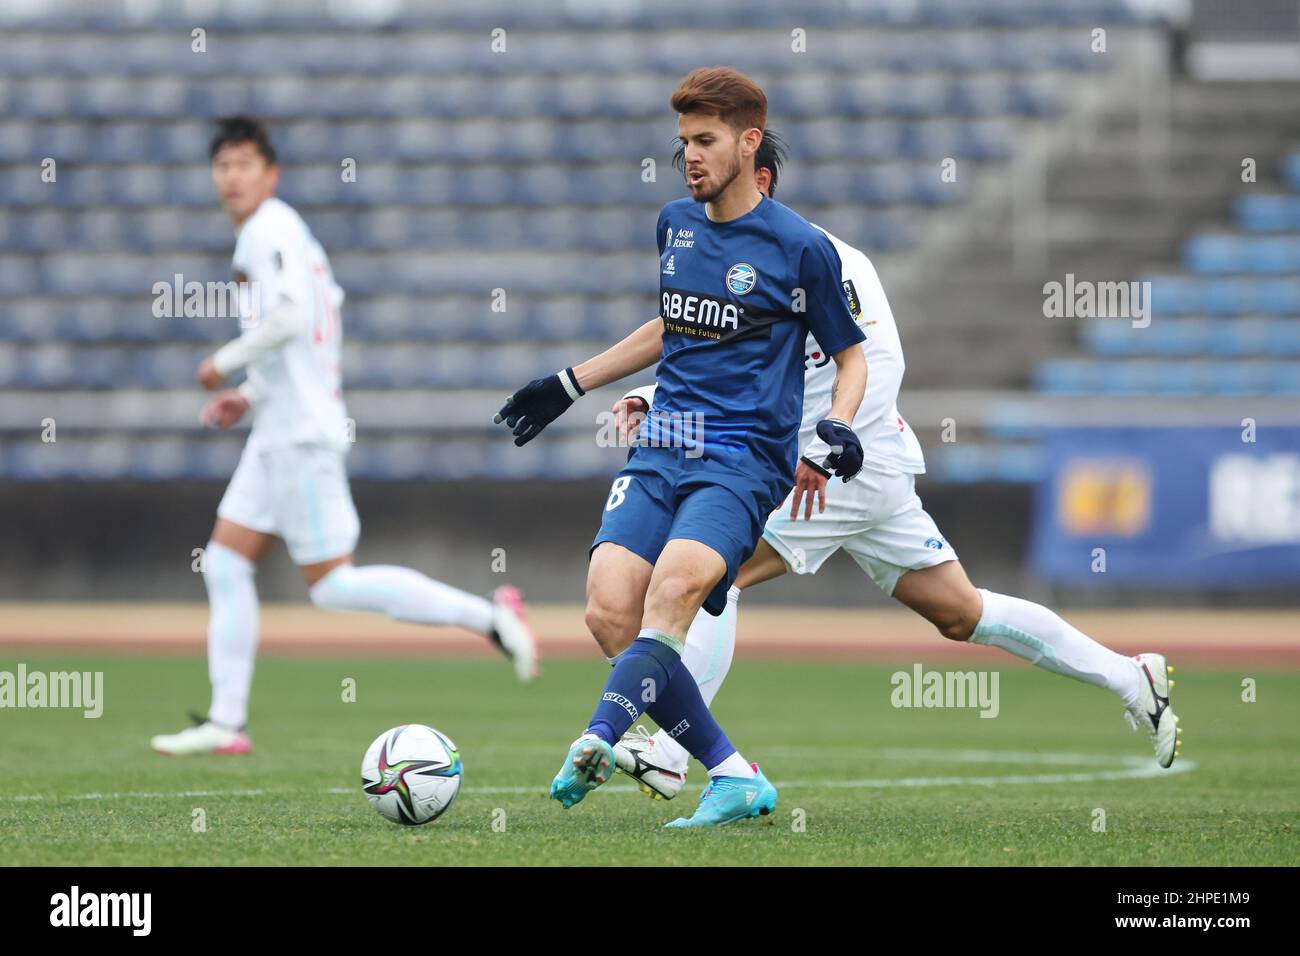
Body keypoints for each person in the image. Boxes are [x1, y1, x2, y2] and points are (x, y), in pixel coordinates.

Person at [605, 129, 1182, 800]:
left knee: (708, 577)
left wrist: (828, 445)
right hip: (821, 469)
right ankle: (1129, 676)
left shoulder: (824, 259)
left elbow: (879, 362)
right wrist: (650, 393)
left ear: (759, 180)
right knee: (961, 612)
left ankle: (673, 752)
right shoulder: (728, 263)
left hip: (844, 466)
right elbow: (713, 359)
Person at [494, 68, 868, 827]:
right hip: (663, 446)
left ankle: (599, 736)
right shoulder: (676, 224)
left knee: (672, 593)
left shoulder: (802, 249)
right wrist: (572, 383)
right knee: (607, 612)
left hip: (742, 458)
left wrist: (840, 424)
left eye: (705, 141)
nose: (690, 156)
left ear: (748, 143)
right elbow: (673, 325)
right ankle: (732, 773)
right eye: (684, 142)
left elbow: (849, 354)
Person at [151, 116, 537, 757]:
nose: (233, 176)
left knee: (334, 585)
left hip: (299, 435)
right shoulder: (285, 235)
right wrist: (246, 394)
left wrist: (223, 361)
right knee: (223, 562)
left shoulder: (268, 229)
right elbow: (304, 339)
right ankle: (226, 720)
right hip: (279, 429)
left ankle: (492, 619)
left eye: (245, 163)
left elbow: (292, 318)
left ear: (270, 173)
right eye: (223, 165)